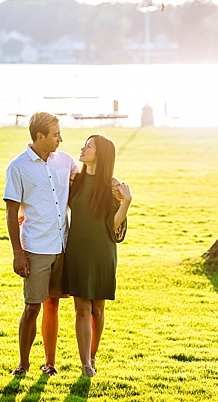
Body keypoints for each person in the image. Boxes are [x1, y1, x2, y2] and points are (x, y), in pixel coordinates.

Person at [4, 112, 80, 376]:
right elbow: (11, 212)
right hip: (35, 248)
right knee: (32, 307)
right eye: (56, 134)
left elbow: (86, 182)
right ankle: (23, 364)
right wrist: (18, 253)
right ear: (40, 136)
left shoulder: (66, 161)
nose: (61, 139)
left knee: (53, 305)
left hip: (62, 245)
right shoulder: (18, 167)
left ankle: (50, 364)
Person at [63, 134, 132, 377]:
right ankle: (85, 364)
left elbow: (114, 226)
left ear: (100, 154)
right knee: (82, 308)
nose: (83, 148)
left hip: (103, 252)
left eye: (88, 146)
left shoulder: (112, 186)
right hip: (77, 251)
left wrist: (126, 202)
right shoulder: (75, 181)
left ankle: (92, 356)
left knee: (98, 309)